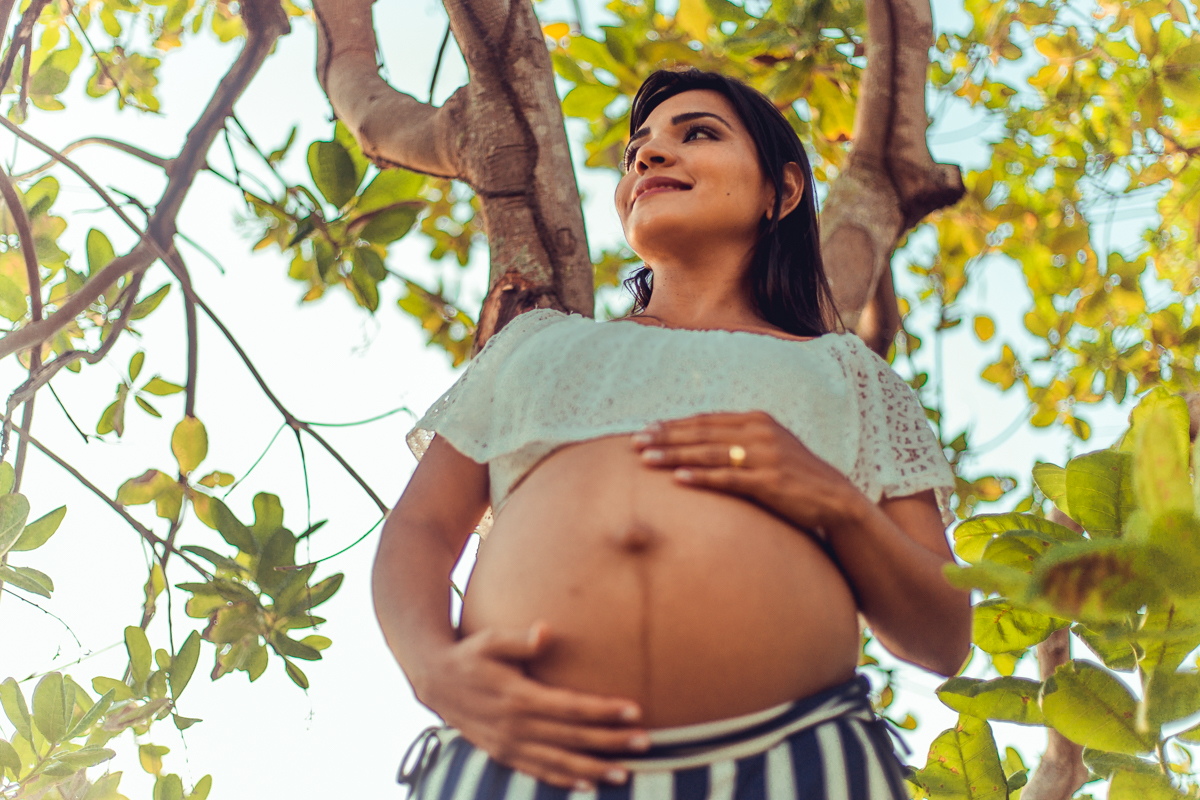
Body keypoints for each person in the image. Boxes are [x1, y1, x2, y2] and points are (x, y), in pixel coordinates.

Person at [376, 68, 971, 800]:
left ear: (779, 192)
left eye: (698, 133)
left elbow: (944, 636)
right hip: (522, 759)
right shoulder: (535, 343)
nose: (650, 156)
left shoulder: (849, 372)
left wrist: (834, 502)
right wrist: (432, 669)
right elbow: (421, 529)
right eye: (637, 152)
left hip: (796, 761)